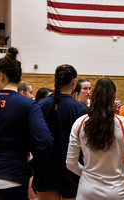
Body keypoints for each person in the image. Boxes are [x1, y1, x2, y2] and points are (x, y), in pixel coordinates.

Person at [0, 47, 53, 200]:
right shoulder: (28, 105)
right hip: (15, 177)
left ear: (1, 75)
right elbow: (46, 141)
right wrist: (33, 166)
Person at [66, 77, 124, 199]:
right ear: (114, 96)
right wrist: (123, 179)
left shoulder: (80, 123)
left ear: (93, 95)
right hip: (117, 191)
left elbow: (70, 164)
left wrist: (86, 174)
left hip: (87, 190)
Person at [33, 64, 87, 200]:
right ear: (74, 81)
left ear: (54, 79)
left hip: (45, 171)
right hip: (72, 173)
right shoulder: (81, 109)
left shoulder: (40, 106)